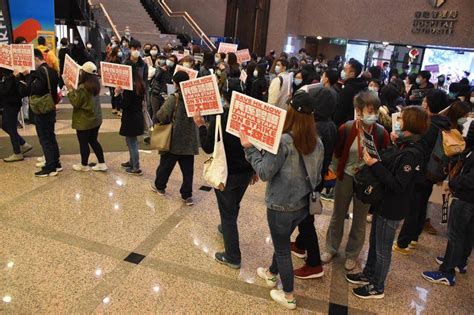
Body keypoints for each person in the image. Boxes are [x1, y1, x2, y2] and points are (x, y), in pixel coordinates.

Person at [241, 91, 324, 310]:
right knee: (283, 240)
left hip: (280, 206)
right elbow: (316, 176)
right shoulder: (318, 142)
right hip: (303, 204)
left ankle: (288, 295)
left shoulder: (284, 141)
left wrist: (249, 149)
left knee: (282, 249)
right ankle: (271, 273)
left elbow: (265, 172)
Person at [346, 106, 428, 299]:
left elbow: (398, 184)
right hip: (382, 202)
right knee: (375, 242)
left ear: (410, 123)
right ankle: (369, 273)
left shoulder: (412, 153)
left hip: (392, 206)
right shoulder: (403, 145)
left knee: (383, 249)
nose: (398, 122)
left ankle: (377, 286)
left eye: (402, 119)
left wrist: (375, 164)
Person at [322, 91, 390, 270]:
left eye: (375, 110)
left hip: (367, 181)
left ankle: (352, 254)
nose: (372, 114)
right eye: (369, 111)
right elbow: (337, 152)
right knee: (338, 214)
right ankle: (331, 247)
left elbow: (386, 157)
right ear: (358, 111)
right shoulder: (347, 128)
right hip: (346, 176)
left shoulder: (381, 133)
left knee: (360, 219)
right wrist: (336, 171)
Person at [193, 84, 257, 270]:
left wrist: (201, 125)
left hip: (226, 172)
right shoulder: (249, 117)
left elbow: (207, 147)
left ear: (225, 97)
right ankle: (225, 227)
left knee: (228, 213)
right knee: (234, 204)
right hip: (245, 172)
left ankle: (232, 256)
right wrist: (254, 169)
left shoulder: (221, 117)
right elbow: (256, 146)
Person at [394, 89, 450, 254]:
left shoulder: (429, 125)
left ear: (429, 104)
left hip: (421, 172)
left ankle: (403, 243)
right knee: (421, 205)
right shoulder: (443, 123)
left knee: (413, 207)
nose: (423, 102)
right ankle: (414, 238)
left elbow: (419, 147)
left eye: (425, 100)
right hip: (433, 172)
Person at [291, 88, 337, 279]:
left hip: (310, 180)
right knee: (308, 215)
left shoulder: (316, 128)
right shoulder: (331, 125)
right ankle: (301, 245)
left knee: (306, 220)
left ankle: (314, 263)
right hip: (318, 179)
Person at [421, 127, 473, 286]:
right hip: (469, 199)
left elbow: (470, 179)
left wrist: (453, 183)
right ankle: (459, 261)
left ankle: (446, 272)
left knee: (455, 234)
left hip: (466, 198)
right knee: (467, 232)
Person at [151, 71, 199, 206]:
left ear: (176, 83)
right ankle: (187, 195)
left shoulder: (174, 98)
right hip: (189, 141)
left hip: (173, 139)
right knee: (188, 171)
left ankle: (160, 187)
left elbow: (162, 115)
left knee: (165, 166)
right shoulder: (194, 98)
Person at [19, 49, 61, 177]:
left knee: (44, 137)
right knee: (50, 135)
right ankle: (56, 162)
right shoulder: (53, 71)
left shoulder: (39, 73)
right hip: (50, 106)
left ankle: (50, 167)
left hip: (42, 109)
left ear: (37, 59)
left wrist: (26, 77)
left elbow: (32, 89)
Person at [65, 62, 107, 172]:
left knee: (83, 143)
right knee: (93, 141)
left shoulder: (83, 87)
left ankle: (84, 165)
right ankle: (102, 163)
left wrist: (69, 90)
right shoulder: (96, 84)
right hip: (96, 119)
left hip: (84, 121)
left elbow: (76, 103)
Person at [116, 61, 146, 175]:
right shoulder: (139, 83)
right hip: (136, 116)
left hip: (131, 118)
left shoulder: (130, 87)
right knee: (130, 141)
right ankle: (131, 161)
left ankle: (136, 167)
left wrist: (118, 93)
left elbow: (124, 105)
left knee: (132, 142)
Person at [0, 67, 33, 162]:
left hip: (12, 103)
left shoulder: (12, 73)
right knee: (5, 125)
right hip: (9, 102)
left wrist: (12, 77)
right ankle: (23, 144)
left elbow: (4, 89)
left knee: (10, 127)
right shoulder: (9, 72)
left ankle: (17, 152)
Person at [333, 59, 367, 127]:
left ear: (352, 74)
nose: (342, 72)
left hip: (345, 126)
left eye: (345, 70)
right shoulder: (363, 86)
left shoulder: (348, 89)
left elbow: (340, 112)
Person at [106, 46, 123, 116]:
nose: (120, 52)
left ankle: (114, 108)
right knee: (118, 95)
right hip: (116, 79)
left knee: (113, 95)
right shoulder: (117, 59)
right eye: (118, 51)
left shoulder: (109, 58)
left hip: (111, 80)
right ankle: (118, 110)